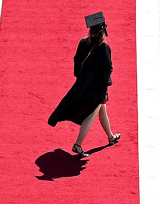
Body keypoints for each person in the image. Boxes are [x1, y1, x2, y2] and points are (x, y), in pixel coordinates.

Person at [49, 12, 121, 156]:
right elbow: (106, 69)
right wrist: (105, 83)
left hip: (84, 85)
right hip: (97, 89)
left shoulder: (83, 42)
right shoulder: (104, 48)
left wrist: (81, 78)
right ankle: (77, 145)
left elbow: (77, 62)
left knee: (102, 110)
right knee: (91, 115)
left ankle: (111, 136)